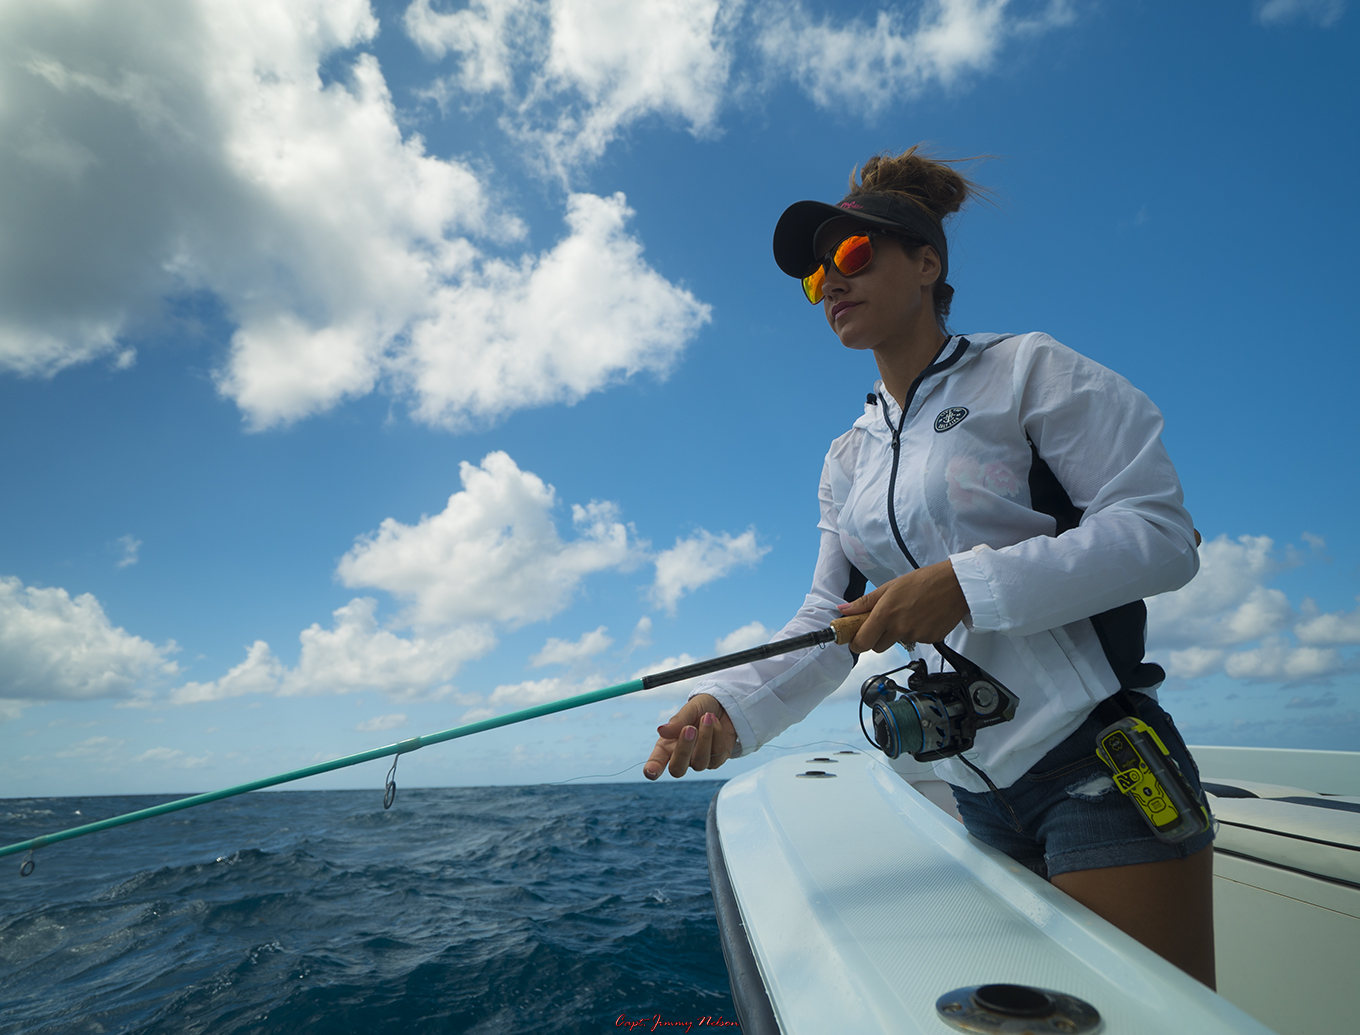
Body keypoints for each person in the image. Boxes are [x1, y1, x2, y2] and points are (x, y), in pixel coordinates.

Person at [642, 146, 1216, 987]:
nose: (830, 282)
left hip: (1099, 765)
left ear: (927, 262)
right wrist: (727, 705)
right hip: (976, 793)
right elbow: (828, 621)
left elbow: (1162, 534)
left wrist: (964, 584)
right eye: (815, 276)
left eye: (851, 253)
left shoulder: (1027, 371)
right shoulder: (848, 457)